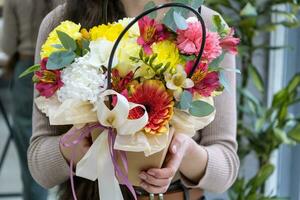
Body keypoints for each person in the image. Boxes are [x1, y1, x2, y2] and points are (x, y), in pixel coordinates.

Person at [28, 0, 240, 199]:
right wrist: (73, 146)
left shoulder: (205, 26)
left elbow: (226, 168)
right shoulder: (63, 24)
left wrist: (184, 152)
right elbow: (39, 166)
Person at [1, 0, 63, 199]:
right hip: (60, 70)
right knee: (59, 140)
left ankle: (34, 195)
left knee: (29, 140)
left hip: (27, 69)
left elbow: (7, 45)